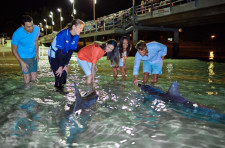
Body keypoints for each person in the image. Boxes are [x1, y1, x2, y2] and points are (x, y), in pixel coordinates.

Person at [48, 19, 84, 89]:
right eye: (80, 28)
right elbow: (59, 52)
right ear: (74, 27)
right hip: (54, 56)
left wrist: (66, 64)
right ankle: (57, 95)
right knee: (58, 78)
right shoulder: (62, 34)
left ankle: (62, 95)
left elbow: (70, 52)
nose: (81, 30)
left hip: (63, 55)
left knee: (63, 79)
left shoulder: (76, 36)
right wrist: (61, 66)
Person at [11, 15, 40, 84]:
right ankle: (26, 94)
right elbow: (13, 50)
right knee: (27, 78)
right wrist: (22, 62)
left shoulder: (36, 29)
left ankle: (33, 93)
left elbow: (36, 41)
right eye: (28, 27)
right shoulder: (17, 34)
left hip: (33, 55)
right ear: (23, 26)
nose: (31, 28)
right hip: (23, 56)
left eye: (32, 25)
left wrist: (37, 53)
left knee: (34, 77)